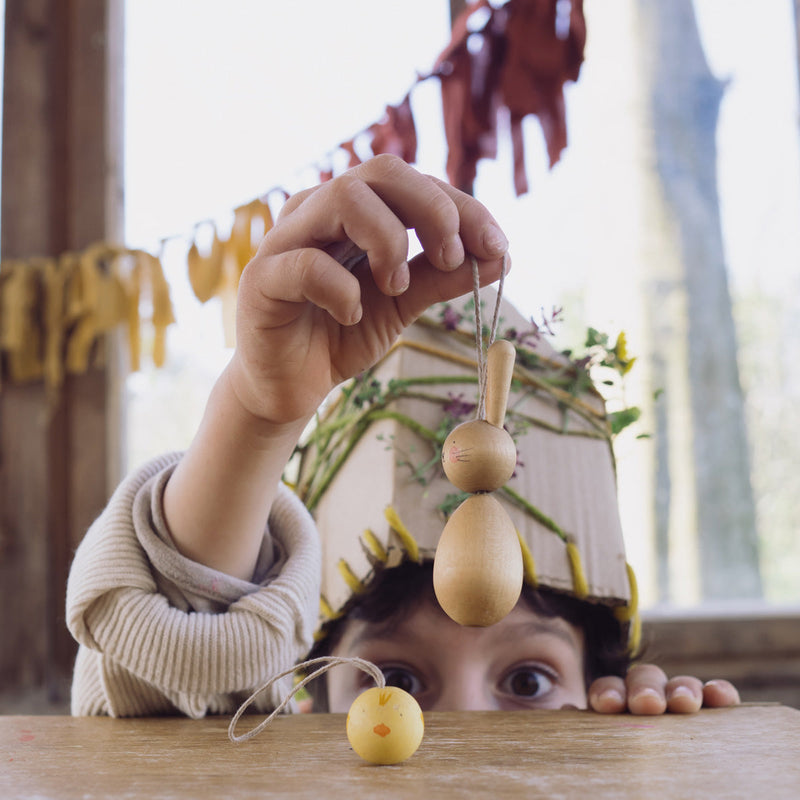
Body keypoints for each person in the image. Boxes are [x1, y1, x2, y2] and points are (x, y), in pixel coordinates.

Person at [66, 155, 739, 718]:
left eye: (529, 682)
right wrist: (257, 415)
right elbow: (174, 669)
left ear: (598, 691)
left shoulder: (617, 739)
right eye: (397, 681)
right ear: (307, 699)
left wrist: (652, 755)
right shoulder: (282, 742)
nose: (462, 731)